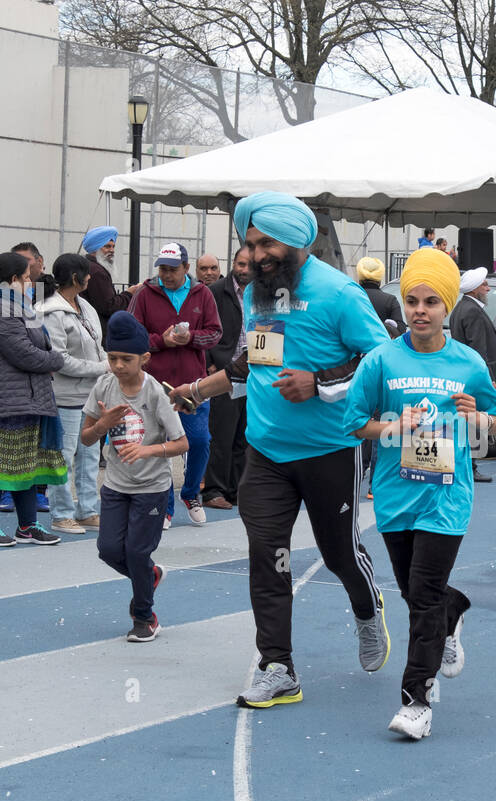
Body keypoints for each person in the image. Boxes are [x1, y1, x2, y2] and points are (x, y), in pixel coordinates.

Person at [167, 191, 391, 709]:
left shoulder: (339, 293)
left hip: (332, 449)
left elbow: (381, 361)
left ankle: (365, 606)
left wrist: (321, 383)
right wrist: (197, 391)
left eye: (266, 243)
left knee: (338, 554)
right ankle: (277, 666)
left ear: (295, 241)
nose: (256, 254)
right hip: (266, 452)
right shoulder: (256, 295)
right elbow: (253, 362)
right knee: (268, 558)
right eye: (250, 243)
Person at [344, 249, 496, 739]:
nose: (420, 310)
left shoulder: (468, 362)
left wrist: (478, 417)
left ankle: (416, 698)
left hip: (447, 495)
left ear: (447, 307)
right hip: (395, 496)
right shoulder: (381, 360)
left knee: (425, 592)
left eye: (431, 301)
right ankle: (451, 611)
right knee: (419, 595)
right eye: (412, 300)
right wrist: (392, 425)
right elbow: (355, 424)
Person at [82, 313, 189, 642]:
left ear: (144, 358)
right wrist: (102, 425)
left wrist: (148, 451)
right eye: (112, 358)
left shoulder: (155, 393)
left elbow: (182, 443)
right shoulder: (103, 385)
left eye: (125, 359)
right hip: (115, 485)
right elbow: (86, 438)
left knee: (137, 552)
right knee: (110, 549)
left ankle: (145, 616)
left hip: (151, 489)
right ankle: (150, 575)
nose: (117, 366)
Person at [0, 252, 68, 547]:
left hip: (23, 397)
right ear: (12, 279)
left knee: (26, 463)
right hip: (4, 400)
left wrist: (49, 358)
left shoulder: (16, 305)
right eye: (26, 277)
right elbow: (24, 353)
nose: (30, 282)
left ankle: (28, 525)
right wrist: (56, 359)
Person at [128, 242, 222, 528]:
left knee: (199, 440)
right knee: (159, 444)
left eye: (172, 269)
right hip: (155, 385)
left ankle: (191, 493)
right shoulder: (145, 294)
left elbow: (215, 334)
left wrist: (190, 337)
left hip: (194, 385)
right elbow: (133, 335)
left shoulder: (202, 294)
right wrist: (161, 341)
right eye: (162, 269)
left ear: (186, 268)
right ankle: (164, 506)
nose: (166, 275)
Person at [39, 253, 108, 534]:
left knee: (89, 457)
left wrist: (106, 367)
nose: (91, 278)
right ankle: (61, 513)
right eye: (87, 274)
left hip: (89, 396)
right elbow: (59, 359)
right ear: (76, 278)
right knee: (63, 457)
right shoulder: (50, 311)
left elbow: (97, 343)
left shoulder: (85, 306)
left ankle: (87, 509)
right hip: (65, 397)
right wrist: (100, 368)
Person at [202, 246, 252, 510]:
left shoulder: (262, 292)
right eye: (240, 264)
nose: (244, 270)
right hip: (224, 371)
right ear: (232, 263)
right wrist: (210, 363)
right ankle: (214, 490)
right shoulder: (215, 291)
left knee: (244, 436)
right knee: (221, 434)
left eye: (248, 265)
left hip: (252, 373)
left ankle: (236, 489)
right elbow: (205, 329)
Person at [448, 267, 496, 481]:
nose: (488, 288)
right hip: (474, 375)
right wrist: (488, 377)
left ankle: (469, 465)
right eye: (484, 285)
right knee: (472, 419)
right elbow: (478, 348)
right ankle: (470, 466)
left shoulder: (464, 307)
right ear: (474, 290)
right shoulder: (471, 310)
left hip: (465, 372)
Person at [81, 226, 142, 337]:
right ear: (96, 248)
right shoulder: (97, 271)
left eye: (113, 246)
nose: (112, 250)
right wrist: (129, 293)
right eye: (107, 246)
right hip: (97, 331)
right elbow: (108, 306)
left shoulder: (90, 266)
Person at [356, 257, 404, 337]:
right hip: (382, 347)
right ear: (379, 280)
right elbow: (400, 330)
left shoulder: (350, 298)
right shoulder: (390, 300)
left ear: (360, 279)